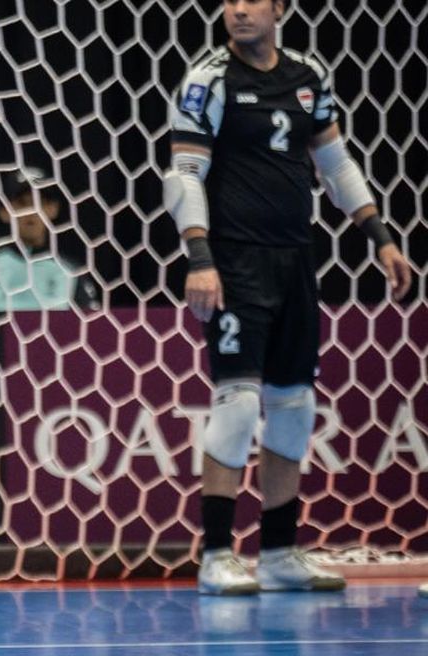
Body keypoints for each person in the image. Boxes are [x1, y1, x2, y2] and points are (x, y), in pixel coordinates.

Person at [164, 0, 412, 595]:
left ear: (280, 9)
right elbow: (183, 175)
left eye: (253, 0)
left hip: (295, 259)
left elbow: (334, 160)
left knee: (294, 406)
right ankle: (217, 554)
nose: (238, 10)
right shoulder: (208, 78)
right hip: (236, 262)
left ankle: (277, 553)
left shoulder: (308, 74)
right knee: (238, 404)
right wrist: (200, 259)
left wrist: (379, 236)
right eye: (230, 1)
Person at [0, 168, 98, 312]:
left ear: (53, 209)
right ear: (4, 211)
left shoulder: (70, 270)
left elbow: (94, 324)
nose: (31, 211)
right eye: (22, 203)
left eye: (39, 203)